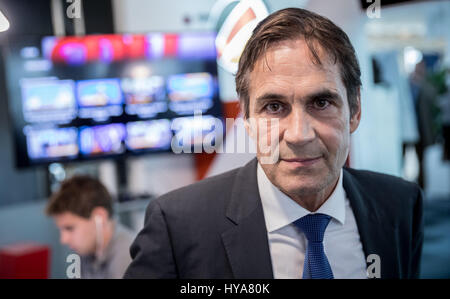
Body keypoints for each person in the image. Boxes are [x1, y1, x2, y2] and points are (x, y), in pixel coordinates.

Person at [124, 8, 424, 279]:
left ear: (355, 110)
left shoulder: (399, 205)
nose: (298, 135)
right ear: (247, 117)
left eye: (321, 102)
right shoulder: (178, 225)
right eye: (274, 107)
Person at [46, 175, 135, 279]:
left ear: (100, 217)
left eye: (69, 228)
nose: (63, 239)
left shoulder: (129, 257)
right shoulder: (87, 250)